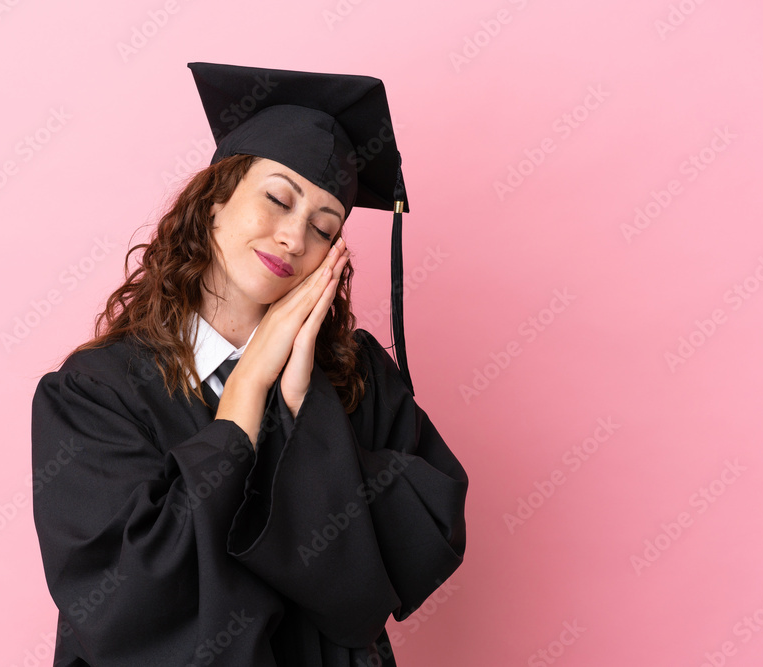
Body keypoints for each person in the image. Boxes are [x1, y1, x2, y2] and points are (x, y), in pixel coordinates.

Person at [31, 62, 468, 667]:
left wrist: (300, 407)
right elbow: (124, 597)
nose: (293, 238)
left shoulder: (355, 376)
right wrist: (246, 396)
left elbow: (419, 539)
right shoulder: (95, 391)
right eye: (277, 199)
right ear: (213, 201)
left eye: (323, 226)